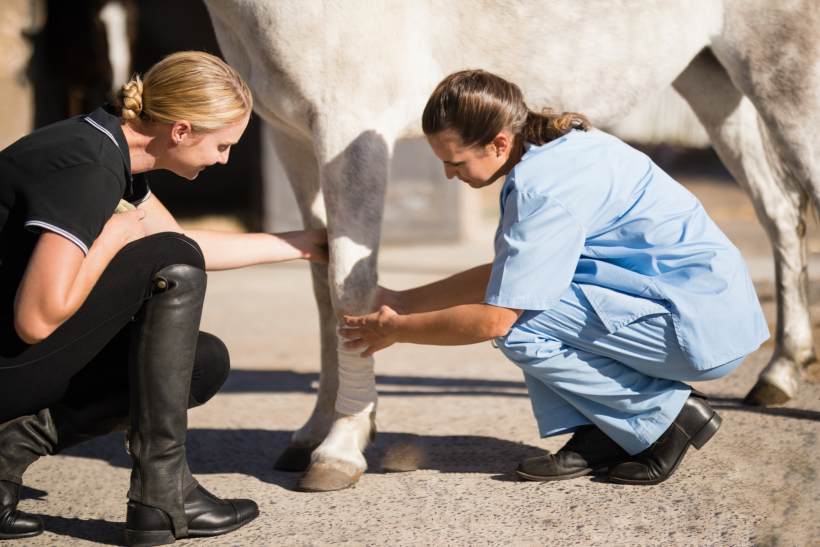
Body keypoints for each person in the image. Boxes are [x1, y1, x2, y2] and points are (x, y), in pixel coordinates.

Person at [340, 69, 769, 486]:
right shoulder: (565, 147)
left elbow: (496, 318)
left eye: (454, 163)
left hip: (697, 329)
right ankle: (605, 431)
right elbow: (514, 274)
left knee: (521, 325)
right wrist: (407, 300)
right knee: (527, 293)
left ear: (499, 143)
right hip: (712, 309)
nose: (448, 175)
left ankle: (665, 416)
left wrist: (397, 329)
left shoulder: (538, 188)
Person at [0, 51, 327, 545]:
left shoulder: (109, 146)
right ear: (181, 130)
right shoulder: (89, 167)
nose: (225, 159)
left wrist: (301, 245)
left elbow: (178, 246)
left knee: (200, 361)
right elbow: (36, 319)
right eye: (222, 145)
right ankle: (163, 495)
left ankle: (7, 453)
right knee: (168, 261)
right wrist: (114, 235)